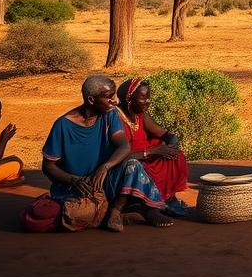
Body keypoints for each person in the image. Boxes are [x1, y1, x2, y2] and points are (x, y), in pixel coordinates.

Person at [42, 74, 171, 231]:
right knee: (75, 215)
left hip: (103, 180)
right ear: (91, 100)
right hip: (76, 186)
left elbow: (124, 146)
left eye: (114, 96)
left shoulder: (109, 116)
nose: (115, 101)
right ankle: (115, 214)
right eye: (109, 97)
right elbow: (48, 166)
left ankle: (117, 211)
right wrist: (74, 180)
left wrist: (105, 166)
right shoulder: (63, 125)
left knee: (133, 165)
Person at [115, 77, 190, 216]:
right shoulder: (114, 117)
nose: (147, 102)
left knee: (176, 155)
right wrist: (152, 151)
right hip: (129, 160)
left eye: (148, 98)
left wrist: (172, 145)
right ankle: (147, 202)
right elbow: (120, 154)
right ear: (129, 98)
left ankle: (167, 198)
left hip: (147, 155)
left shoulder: (141, 114)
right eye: (143, 98)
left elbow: (164, 134)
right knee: (136, 166)